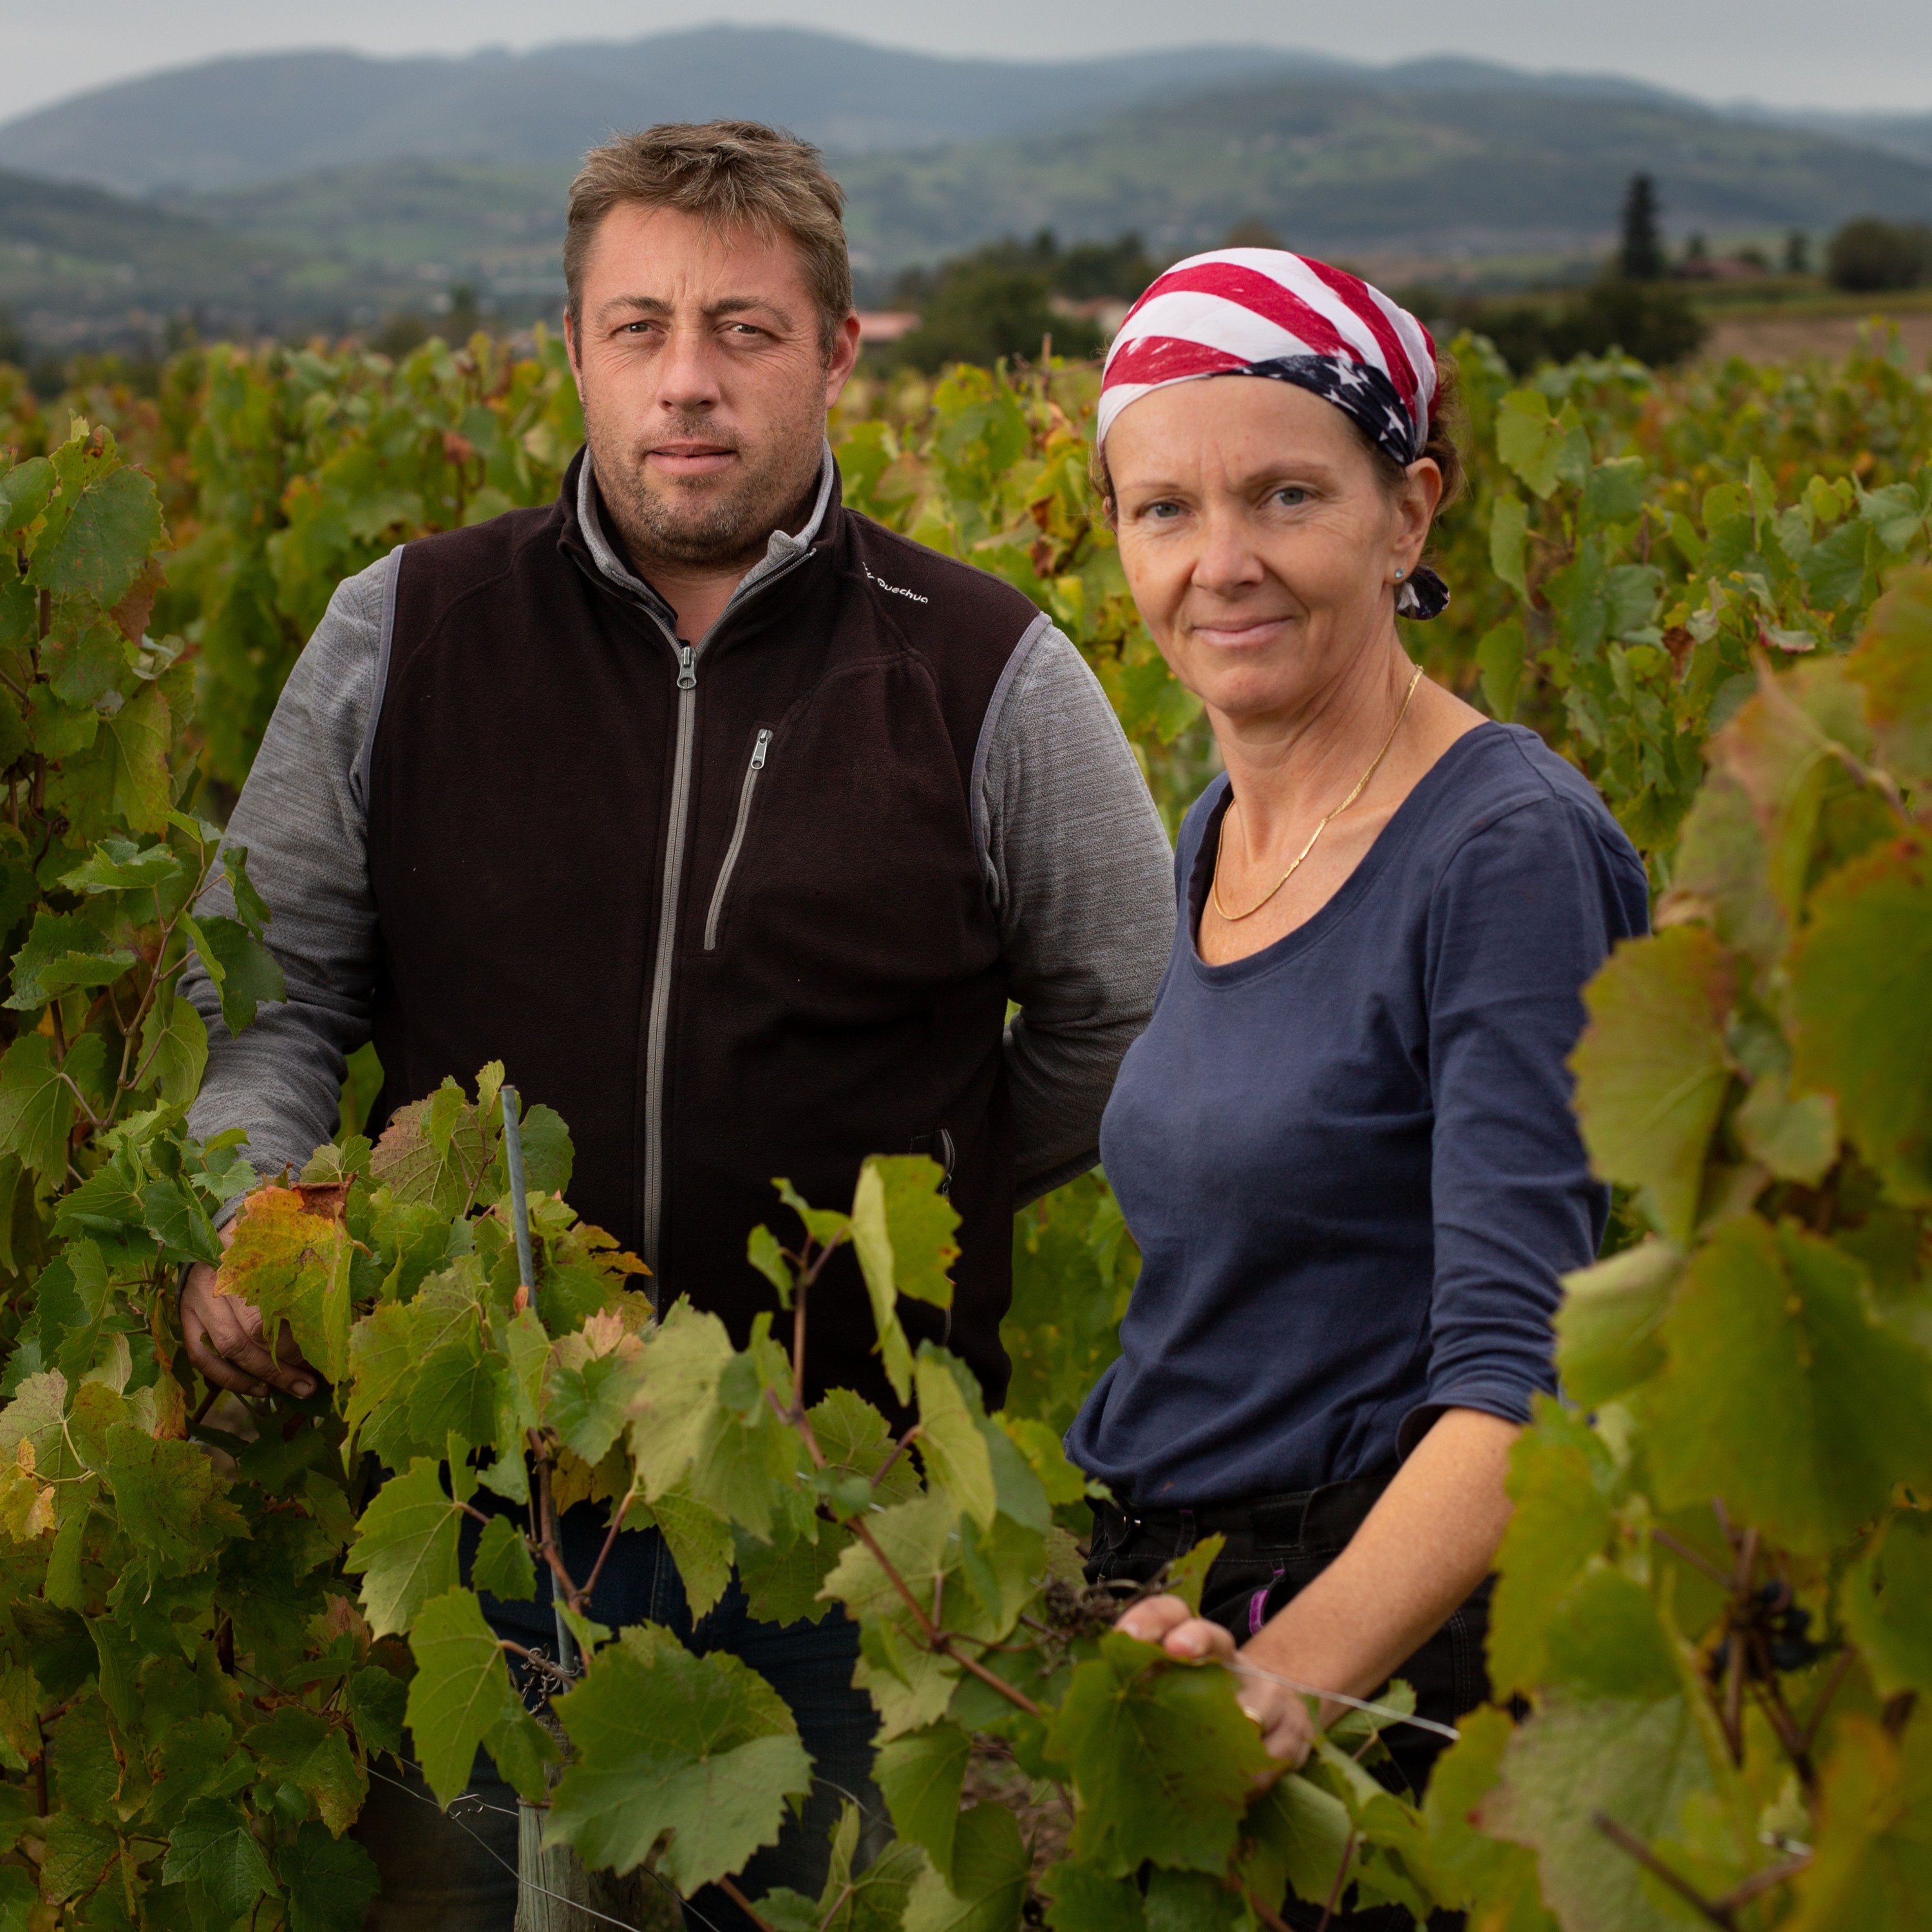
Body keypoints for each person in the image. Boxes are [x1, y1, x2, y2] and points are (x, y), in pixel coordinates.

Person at [176, 122, 1174, 1931]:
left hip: (845, 1530)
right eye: (638, 329)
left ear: (841, 350)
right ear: (574, 347)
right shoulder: (402, 631)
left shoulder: (981, 669)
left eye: (743, 328)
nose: (687, 382)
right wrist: (256, 1203)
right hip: (480, 1506)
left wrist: (920, 1195)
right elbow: (272, 994)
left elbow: (1124, 1015)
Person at [1062, 249, 1649, 1918]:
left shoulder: (1508, 857)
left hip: (1378, 1672)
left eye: (1285, 495)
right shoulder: (1219, 827)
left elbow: (1529, 1386)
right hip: (1178, 1599)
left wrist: (1289, 1679)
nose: (1219, 563)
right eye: (1163, 510)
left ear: (1410, 514)